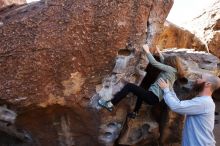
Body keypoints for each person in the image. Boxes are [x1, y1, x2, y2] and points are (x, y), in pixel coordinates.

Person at [98, 44, 185, 118]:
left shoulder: (170, 69)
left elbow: (154, 63)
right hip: (154, 99)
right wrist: (159, 53)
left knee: (129, 86)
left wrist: (147, 51)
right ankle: (135, 113)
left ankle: (110, 104)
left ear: (171, 64)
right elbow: (164, 63)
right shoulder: (174, 72)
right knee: (141, 93)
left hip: (152, 96)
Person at [158, 73, 220, 146]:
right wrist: (170, 90)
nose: (197, 79)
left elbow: (176, 106)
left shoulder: (203, 102)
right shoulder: (203, 100)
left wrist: (166, 90)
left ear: (207, 84)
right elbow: (179, 103)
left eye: (200, 77)